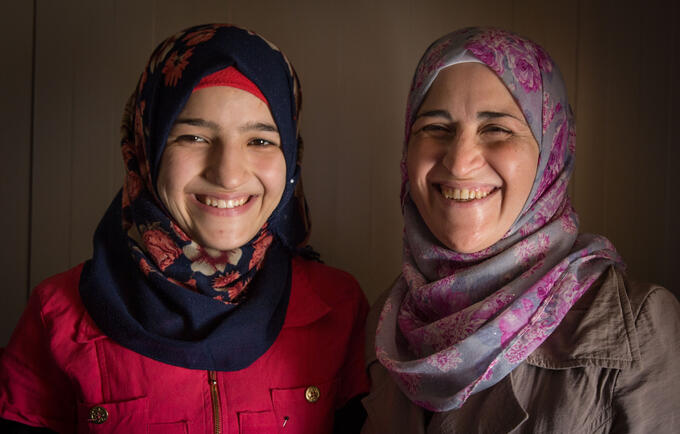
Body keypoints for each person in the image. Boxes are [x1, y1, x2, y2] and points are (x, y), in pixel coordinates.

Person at [0, 24, 368, 434]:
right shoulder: (58, 317)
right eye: (193, 136)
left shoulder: (337, 307)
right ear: (145, 148)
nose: (228, 175)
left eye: (261, 141)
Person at [362, 27, 680, 433]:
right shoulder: (386, 321)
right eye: (435, 128)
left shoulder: (637, 325)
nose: (460, 162)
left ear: (552, 152)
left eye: (497, 129)